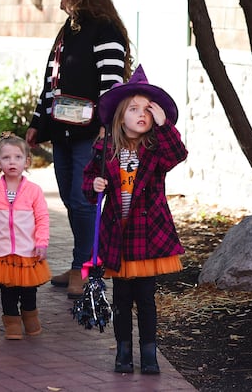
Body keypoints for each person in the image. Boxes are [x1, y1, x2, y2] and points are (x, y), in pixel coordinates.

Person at [25, 0, 133, 300]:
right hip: (63, 132)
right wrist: (38, 122)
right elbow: (51, 82)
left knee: (84, 199)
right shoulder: (67, 30)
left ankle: (85, 268)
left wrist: (106, 128)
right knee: (72, 201)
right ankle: (81, 261)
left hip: (91, 133)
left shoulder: (105, 31)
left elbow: (112, 85)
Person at [82, 64, 187, 375]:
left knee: (146, 299)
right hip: (119, 236)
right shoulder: (105, 149)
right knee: (122, 299)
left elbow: (177, 154)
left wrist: (164, 123)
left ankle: (150, 354)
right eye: (134, 108)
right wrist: (95, 186)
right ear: (119, 116)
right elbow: (89, 186)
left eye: (147, 110)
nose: (142, 114)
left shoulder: (155, 149)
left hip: (148, 235)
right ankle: (123, 353)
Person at [0, 132, 51, 340]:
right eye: (6, 158)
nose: (12, 162)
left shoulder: (34, 191)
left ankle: (30, 316)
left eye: (17, 157)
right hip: (2, 252)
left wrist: (42, 242)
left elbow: (42, 218)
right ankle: (11, 322)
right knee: (7, 291)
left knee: (28, 290)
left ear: (27, 161)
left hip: (28, 251)